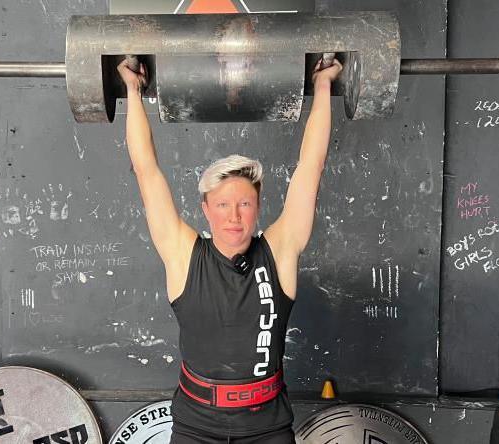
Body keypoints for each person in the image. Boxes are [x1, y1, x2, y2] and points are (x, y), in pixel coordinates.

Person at [117, 56, 342, 443]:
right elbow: (146, 168)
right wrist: (133, 91)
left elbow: (312, 166)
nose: (234, 216)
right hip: (196, 428)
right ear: (206, 210)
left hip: (266, 428)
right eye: (222, 205)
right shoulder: (183, 254)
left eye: (244, 204)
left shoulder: (280, 251)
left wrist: (323, 86)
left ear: (257, 209)